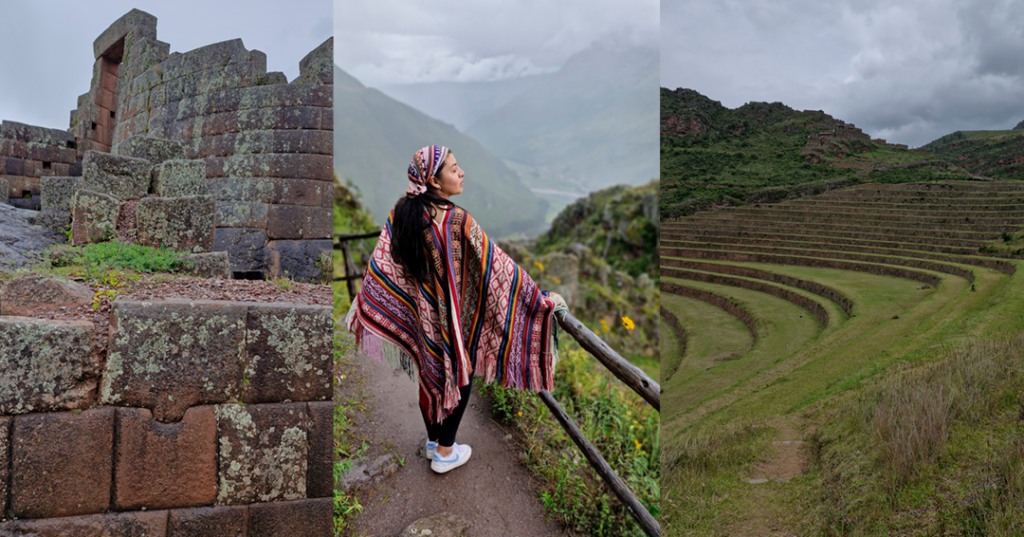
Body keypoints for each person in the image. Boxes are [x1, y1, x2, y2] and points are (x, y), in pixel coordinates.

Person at [347, 145, 566, 474]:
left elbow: (383, 268)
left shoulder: (402, 213)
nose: (461, 172)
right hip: (447, 319)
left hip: (422, 317)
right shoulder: (457, 220)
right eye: (453, 168)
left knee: (429, 369)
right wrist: (540, 299)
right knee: (459, 369)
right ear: (434, 182)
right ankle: (445, 453)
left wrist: (398, 305)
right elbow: (499, 269)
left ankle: (434, 441)